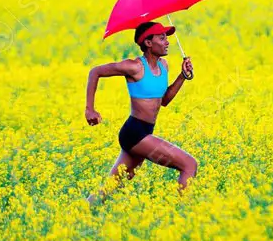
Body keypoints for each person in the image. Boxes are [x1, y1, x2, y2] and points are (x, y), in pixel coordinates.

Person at [84, 21, 196, 205]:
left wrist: (182, 76)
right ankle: (183, 212)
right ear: (148, 43)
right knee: (189, 164)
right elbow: (95, 72)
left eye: (166, 37)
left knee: (110, 187)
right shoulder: (134, 67)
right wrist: (90, 108)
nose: (167, 42)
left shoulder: (164, 66)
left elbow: (165, 100)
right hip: (135, 133)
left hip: (144, 133)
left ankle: (82, 211)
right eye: (162, 38)